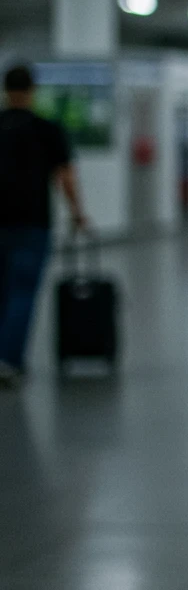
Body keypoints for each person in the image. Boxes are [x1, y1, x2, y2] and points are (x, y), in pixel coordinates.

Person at [0, 64, 89, 387]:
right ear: (33, 90)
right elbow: (64, 176)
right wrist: (77, 212)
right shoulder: (47, 129)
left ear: (5, 89)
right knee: (22, 291)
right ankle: (9, 360)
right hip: (33, 221)